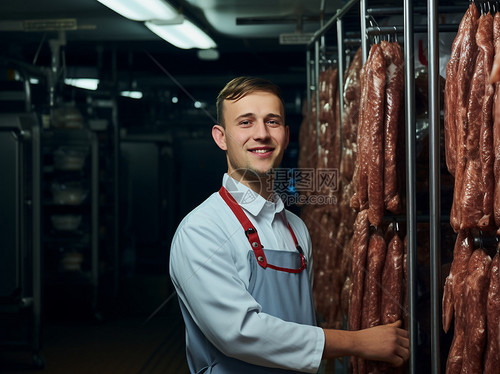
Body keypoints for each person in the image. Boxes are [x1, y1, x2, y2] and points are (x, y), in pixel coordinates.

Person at [169, 76, 409, 373]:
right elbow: (240, 334)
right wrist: (356, 343)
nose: (261, 134)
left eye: (272, 122)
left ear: (285, 133)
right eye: (245, 122)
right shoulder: (201, 230)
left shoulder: (296, 228)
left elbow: (301, 323)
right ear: (221, 137)